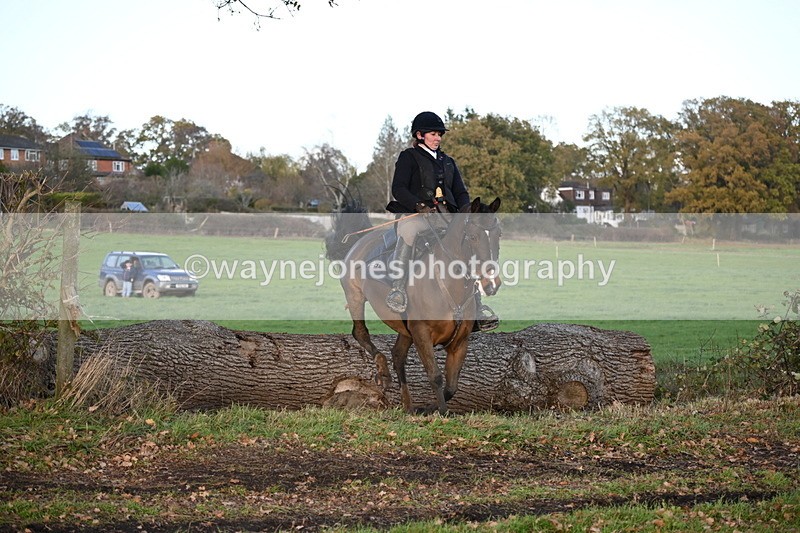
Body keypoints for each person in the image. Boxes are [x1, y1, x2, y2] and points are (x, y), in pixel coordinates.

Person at [385, 111, 498, 331]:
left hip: (448, 217)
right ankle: (398, 289)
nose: (438, 138)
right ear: (419, 135)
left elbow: (461, 192)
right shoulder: (408, 157)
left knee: (468, 241)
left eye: (439, 135)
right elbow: (398, 188)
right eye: (433, 134)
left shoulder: (448, 162)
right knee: (408, 232)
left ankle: (476, 305)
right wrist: (418, 205)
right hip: (418, 215)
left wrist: (466, 213)